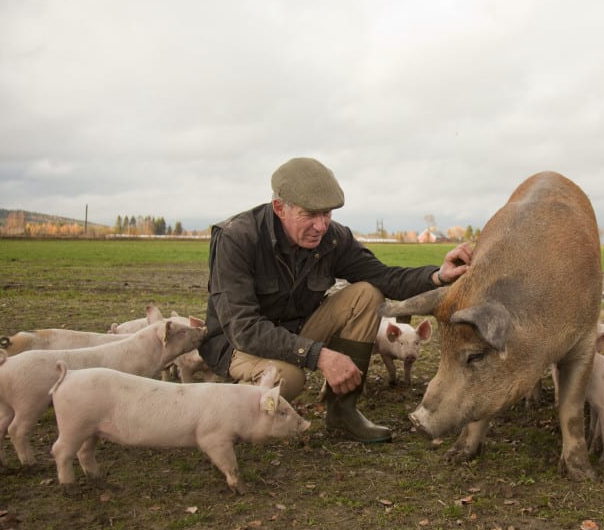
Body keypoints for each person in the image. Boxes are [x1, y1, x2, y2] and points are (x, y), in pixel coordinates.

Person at [199, 157, 471, 443]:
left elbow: (383, 276)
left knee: (368, 294)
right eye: (310, 215)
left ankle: (342, 413)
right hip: (237, 345)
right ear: (280, 208)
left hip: (294, 333)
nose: (321, 226)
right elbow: (244, 329)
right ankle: (228, 415)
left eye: (326, 214)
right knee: (287, 379)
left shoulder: (333, 239)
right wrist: (320, 355)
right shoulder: (237, 238)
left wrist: (438, 276)